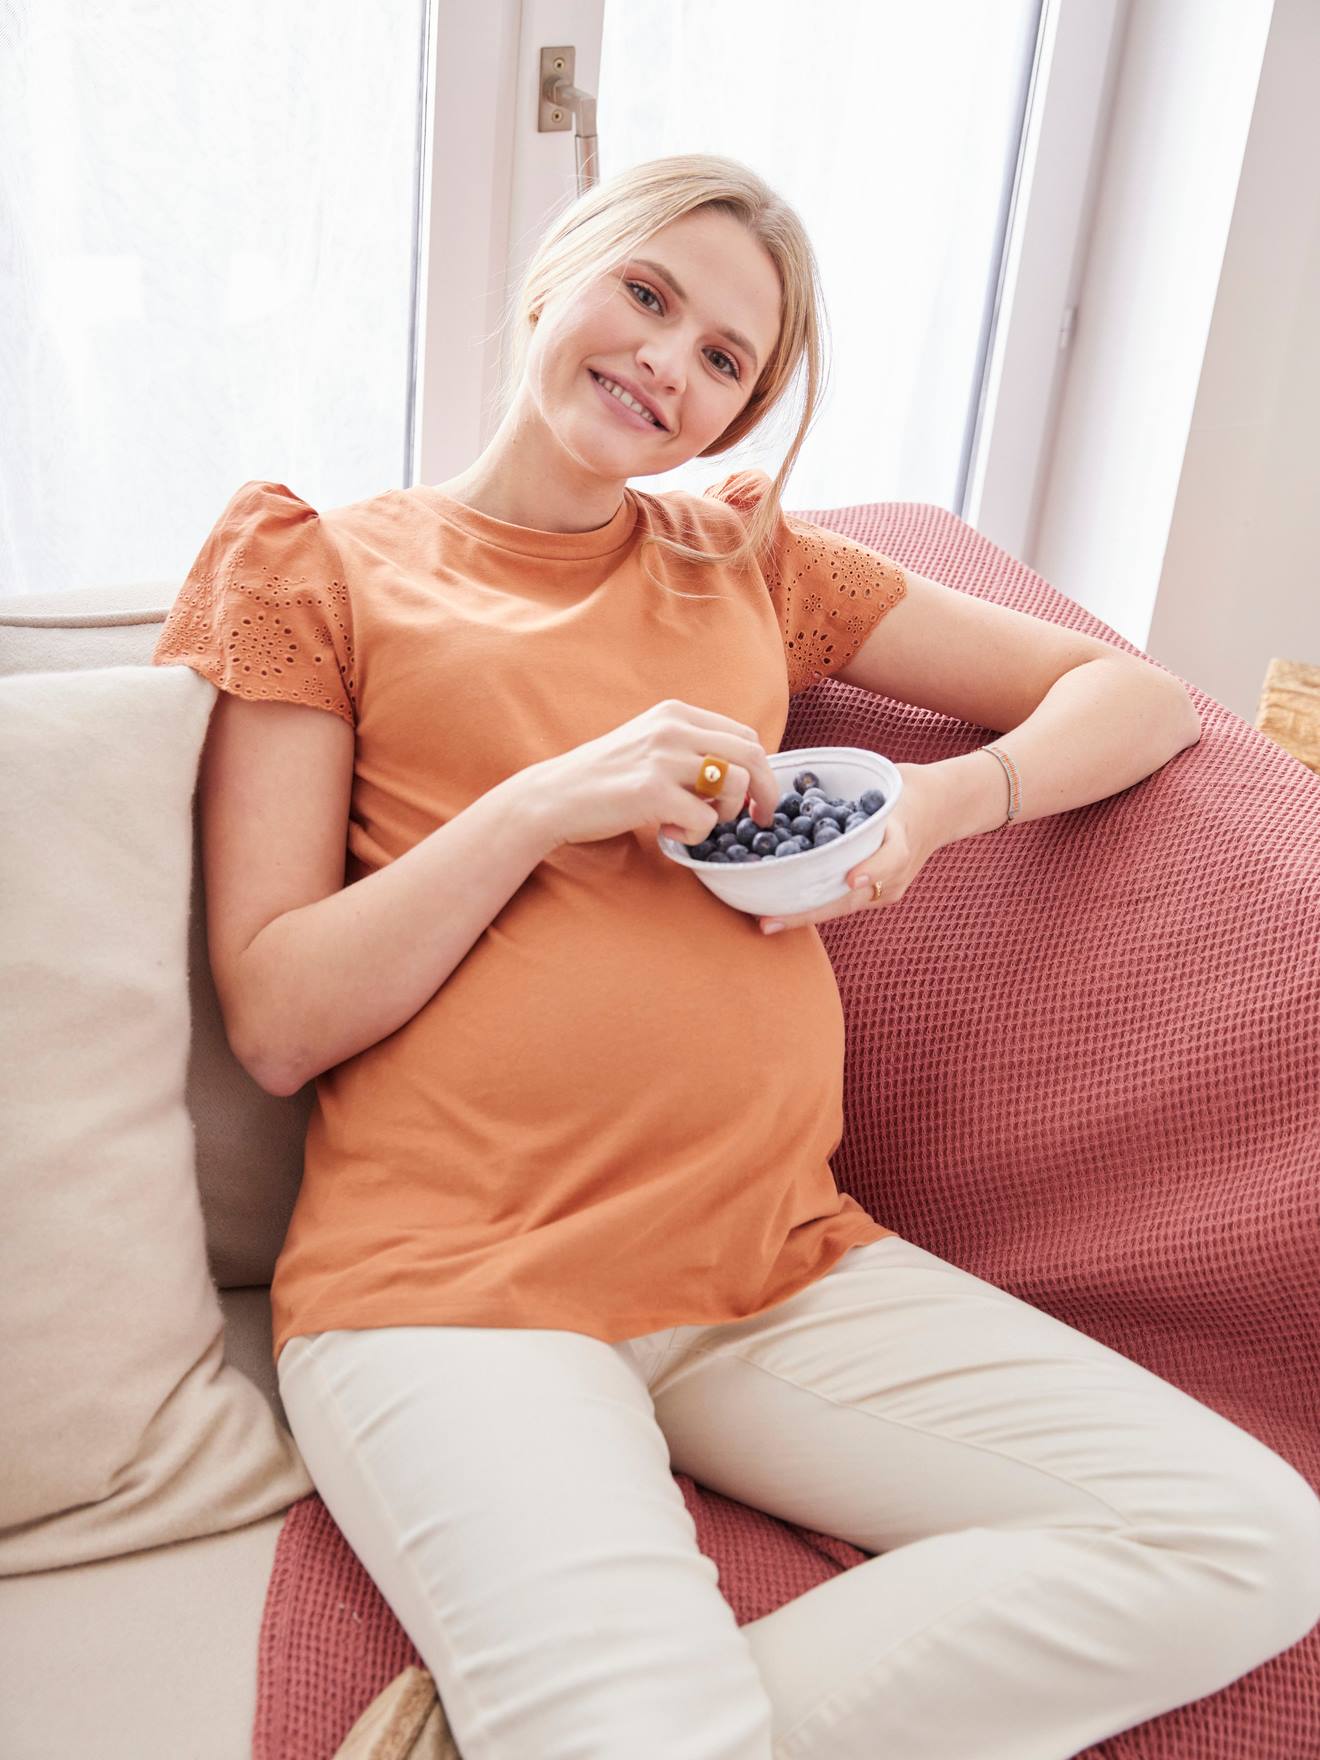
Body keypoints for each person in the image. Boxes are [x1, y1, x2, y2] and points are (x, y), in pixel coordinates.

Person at [152, 154, 1320, 1760]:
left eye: (726, 361)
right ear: (558, 275)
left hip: (777, 1266)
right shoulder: (319, 568)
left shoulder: (744, 562)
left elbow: (1130, 701)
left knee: (1249, 1538)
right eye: (648, 297)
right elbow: (279, 1012)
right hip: (458, 1287)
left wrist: (941, 801)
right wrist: (550, 799)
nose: (668, 365)